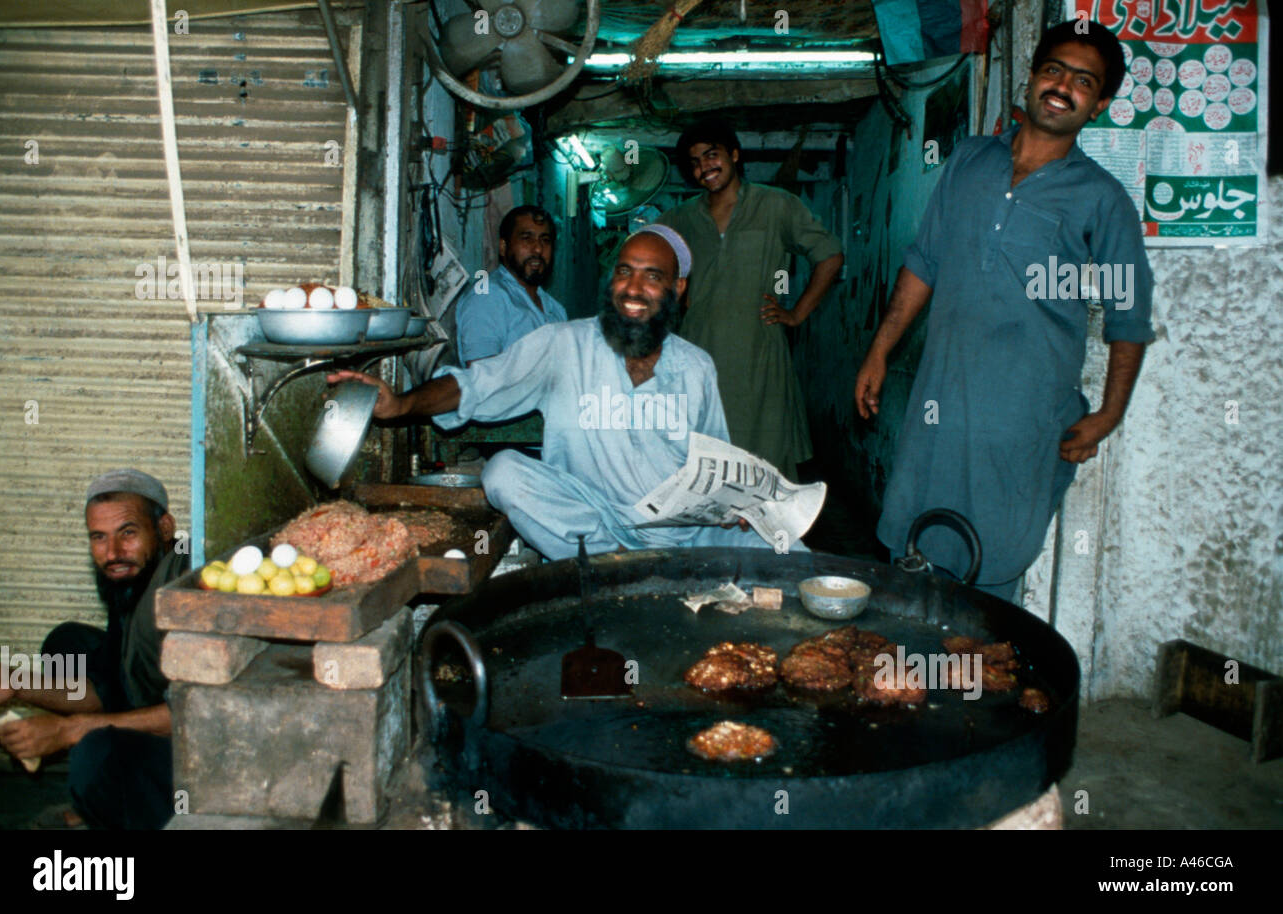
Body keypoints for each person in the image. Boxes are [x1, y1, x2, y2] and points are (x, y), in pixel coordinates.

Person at [853, 20, 1154, 601]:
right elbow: (923, 263)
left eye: (1084, 82)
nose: (1064, 85)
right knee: (909, 543)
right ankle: (911, 680)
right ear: (1032, 78)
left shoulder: (1101, 198)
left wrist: (1110, 414)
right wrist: (879, 350)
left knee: (992, 564)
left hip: (1022, 414)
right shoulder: (968, 161)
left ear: (1101, 104)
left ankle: (976, 688)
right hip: (939, 398)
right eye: (1054, 69)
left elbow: (1129, 313)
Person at [330, 225, 803, 560]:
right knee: (504, 474)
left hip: (684, 534)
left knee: (791, 551)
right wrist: (401, 404)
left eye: (652, 276)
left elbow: (716, 460)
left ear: (677, 289)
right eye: (624, 271)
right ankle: (614, 565)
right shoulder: (563, 345)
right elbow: (476, 383)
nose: (633, 287)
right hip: (596, 526)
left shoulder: (697, 366)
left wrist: (739, 506)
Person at [0, 470, 186, 829]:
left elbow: (195, 712)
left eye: (128, 533)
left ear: (165, 529)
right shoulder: (130, 581)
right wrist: (16, 682)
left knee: (95, 755)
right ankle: (102, 802)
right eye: (99, 537)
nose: (112, 553)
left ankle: (100, 812)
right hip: (152, 706)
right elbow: (106, 692)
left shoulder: (182, 587)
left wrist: (69, 730)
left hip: (198, 757)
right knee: (66, 646)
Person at [659, 118, 844, 480]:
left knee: (764, 464)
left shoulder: (776, 206)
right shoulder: (679, 219)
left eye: (712, 156)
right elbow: (646, 265)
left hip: (759, 357)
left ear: (734, 154)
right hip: (698, 356)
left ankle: (767, 536)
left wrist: (796, 313)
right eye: (695, 162)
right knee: (702, 464)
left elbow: (830, 255)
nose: (704, 168)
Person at [452, 205, 567, 365]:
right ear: (503, 247)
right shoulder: (486, 297)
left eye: (545, 240)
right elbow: (482, 378)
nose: (538, 248)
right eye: (527, 238)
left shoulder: (555, 310)